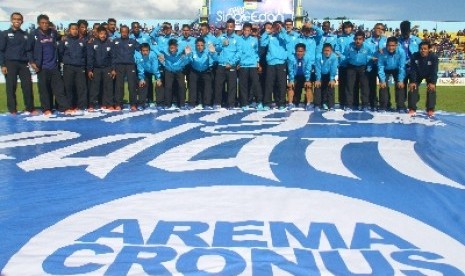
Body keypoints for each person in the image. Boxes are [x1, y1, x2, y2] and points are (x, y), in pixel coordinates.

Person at [32, 14, 72, 116]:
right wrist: (32, 62)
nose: (45, 25)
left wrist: (64, 37)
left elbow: (61, 37)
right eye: (42, 23)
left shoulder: (53, 33)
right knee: (44, 90)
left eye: (46, 23)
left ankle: (64, 108)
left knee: (59, 89)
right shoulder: (33, 35)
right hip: (42, 67)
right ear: (38, 23)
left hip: (54, 66)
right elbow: (28, 50)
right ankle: (46, 109)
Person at [0, 12, 36, 115]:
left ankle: (30, 108)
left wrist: (32, 62)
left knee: (27, 86)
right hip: (10, 63)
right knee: (11, 87)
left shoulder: (26, 35)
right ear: (11, 20)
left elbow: (29, 51)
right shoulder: (4, 34)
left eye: (19, 19)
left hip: (23, 64)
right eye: (15, 19)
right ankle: (12, 110)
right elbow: (1, 51)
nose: (17, 20)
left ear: (22, 21)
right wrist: (2, 65)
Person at [58, 23, 87, 113]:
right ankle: (69, 106)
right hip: (68, 67)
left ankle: (81, 106)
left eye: (76, 29)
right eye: (73, 29)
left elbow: (85, 55)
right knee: (68, 87)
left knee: (81, 87)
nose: (74, 31)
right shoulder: (64, 41)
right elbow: (60, 53)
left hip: (80, 67)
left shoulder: (82, 41)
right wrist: (66, 61)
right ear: (69, 30)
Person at [342, 30, 374, 111]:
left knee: (364, 86)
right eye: (356, 39)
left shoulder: (367, 47)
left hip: (363, 67)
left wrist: (369, 68)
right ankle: (349, 105)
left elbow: (371, 58)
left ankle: (365, 105)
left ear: (363, 39)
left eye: (360, 39)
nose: (358, 41)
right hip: (351, 67)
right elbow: (345, 56)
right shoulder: (349, 46)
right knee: (349, 86)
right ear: (354, 39)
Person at [260, 21, 288, 110]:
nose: (276, 28)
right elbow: (262, 43)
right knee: (269, 84)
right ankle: (267, 103)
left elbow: (288, 40)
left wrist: (282, 30)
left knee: (281, 84)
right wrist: (268, 32)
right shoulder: (270, 36)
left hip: (281, 63)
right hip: (271, 63)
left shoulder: (283, 36)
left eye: (278, 27)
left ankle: (282, 103)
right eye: (275, 26)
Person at [213, 18, 240, 109]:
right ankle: (217, 103)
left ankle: (231, 104)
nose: (229, 28)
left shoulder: (238, 39)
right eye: (227, 26)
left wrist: (232, 63)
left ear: (234, 27)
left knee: (232, 86)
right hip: (221, 65)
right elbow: (216, 49)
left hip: (231, 66)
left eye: (231, 26)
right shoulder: (221, 37)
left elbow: (239, 53)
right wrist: (222, 45)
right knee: (218, 85)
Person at [87, 26, 114, 111]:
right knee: (95, 88)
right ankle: (92, 104)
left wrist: (113, 69)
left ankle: (108, 104)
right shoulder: (93, 43)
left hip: (107, 68)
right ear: (97, 34)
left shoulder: (109, 43)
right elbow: (90, 57)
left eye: (104, 34)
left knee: (108, 87)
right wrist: (90, 70)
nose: (103, 36)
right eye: (101, 34)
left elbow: (112, 57)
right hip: (96, 68)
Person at [111, 25, 138, 111]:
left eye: (126, 32)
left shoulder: (133, 41)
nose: (124, 33)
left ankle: (133, 104)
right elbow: (113, 56)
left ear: (128, 32)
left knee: (132, 85)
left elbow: (141, 49)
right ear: (120, 32)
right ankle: (118, 104)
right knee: (119, 86)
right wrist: (113, 68)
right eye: (122, 32)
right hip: (119, 65)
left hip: (130, 65)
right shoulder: (115, 41)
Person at [408, 41, 438, 117]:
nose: (423, 50)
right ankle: (412, 108)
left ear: (429, 49)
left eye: (425, 49)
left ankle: (430, 109)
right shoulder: (415, 56)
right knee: (413, 87)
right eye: (421, 49)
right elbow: (413, 69)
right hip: (418, 74)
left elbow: (434, 71)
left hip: (429, 75)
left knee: (431, 88)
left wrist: (433, 82)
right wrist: (413, 81)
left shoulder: (433, 57)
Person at [237, 22, 262, 111]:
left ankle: (259, 102)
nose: (246, 32)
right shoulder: (239, 40)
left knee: (256, 84)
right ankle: (244, 103)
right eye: (245, 30)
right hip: (243, 65)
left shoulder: (254, 40)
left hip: (252, 65)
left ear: (251, 31)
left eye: (248, 30)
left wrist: (257, 63)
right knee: (243, 85)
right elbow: (238, 52)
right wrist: (238, 62)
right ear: (243, 30)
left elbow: (256, 52)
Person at [158, 38, 190, 109]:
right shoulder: (164, 50)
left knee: (181, 86)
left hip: (179, 70)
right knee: (168, 87)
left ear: (177, 47)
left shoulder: (182, 49)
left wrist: (187, 54)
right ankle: (167, 104)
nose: (171, 49)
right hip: (169, 70)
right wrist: (159, 55)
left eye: (173, 48)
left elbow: (188, 60)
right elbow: (155, 48)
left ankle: (182, 104)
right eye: (170, 48)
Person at [377, 36, 406, 112]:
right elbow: (380, 66)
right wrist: (382, 80)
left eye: (393, 46)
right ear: (386, 45)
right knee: (383, 86)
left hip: (397, 69)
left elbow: (402, 67)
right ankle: (384, 106)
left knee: (400, 86)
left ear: (396, 45)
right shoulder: (382, 52)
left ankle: (400, 106)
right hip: (385, 69)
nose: (391, 48)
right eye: (389, 45)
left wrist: (400, 80)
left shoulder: (401, 52)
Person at [398, 20, 422, 113]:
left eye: (407, 32)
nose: (405, 34)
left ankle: (413, 105)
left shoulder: (417, 40)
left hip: (414, 69)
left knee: (414, 87)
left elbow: (421, 53)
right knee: (401, 88)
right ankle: (401, 105)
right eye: (403, 32)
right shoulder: (398, 41)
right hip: (402, 68)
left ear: (409, 31)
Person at [186, 37, 216, 109]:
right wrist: (188, 55)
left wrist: (213, 53)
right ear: (196, 46)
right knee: (192, 87)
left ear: (204, 46)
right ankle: (192, 104)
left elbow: (216, 59)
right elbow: (188, 61)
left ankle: (207, 104)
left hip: (205, 71)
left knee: (208, 87)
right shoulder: (192, 52)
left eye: (202, 45)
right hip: (195, 71)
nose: (200, 47)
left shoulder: (208, 52)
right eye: (198, 45)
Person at [366, 23, 388, 110]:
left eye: (382, 29)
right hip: (371, 66)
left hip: (382, 66)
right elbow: (364, 54)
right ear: (374, 29)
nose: (379, 30)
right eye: (378, 28)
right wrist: (371, 58)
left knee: (384, 85)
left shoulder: (386, 41)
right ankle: (372, 104)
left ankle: (384, 105)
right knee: (371, 86)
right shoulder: (367, 41)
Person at [135, 43, 162, 110]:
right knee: (142, 84)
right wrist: (141, 78)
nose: (145, 52)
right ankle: (141, 104)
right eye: (143, 51)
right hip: (145, 71)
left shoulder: (153, 55)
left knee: (159, 84)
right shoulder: (138, 56)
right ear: (140, 51)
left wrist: (158, 78)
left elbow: (155, 68)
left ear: (149, 51)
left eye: (147, 50)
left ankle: (159, 103)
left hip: (155, 70)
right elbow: (140, 68)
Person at [335, 21, 354, 109]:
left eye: (349, 27)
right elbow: (337, 50)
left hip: (352, 64)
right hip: (342, 64)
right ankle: (342, 102)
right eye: (345, 28)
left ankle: (350, 103)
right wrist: (342, 57)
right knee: (342, 84)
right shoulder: (339, 39)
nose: (347, 29)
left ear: (351, 28)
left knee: (350, 85)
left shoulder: (354, 38)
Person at [287, 43, 311, 110]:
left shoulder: (308, 58)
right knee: (290, 87)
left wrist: (307, 80)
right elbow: (290, 69)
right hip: (295, 76)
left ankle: (308, 104)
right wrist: (291, 80)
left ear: (304, 51)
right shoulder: (291, 58)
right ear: (295, 51)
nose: (299, 53)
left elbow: (308, 69)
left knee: (309, 86)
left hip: (304, 76)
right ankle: (290, 104)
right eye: (297, 51)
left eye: (301, 51)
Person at [314, 43, 338, 111]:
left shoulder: (334, 57)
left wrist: (332, 79)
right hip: (321, 74)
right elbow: (317, 68)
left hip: (329, 74)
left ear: (331, 51)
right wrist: (318, 79)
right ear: (322, 51)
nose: (327, 52)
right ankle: (317, 105)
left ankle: (331, 105)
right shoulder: (318, 56)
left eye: (328, 50)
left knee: (331, 85)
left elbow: (333, 68)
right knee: (317, 85)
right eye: (325, 50)